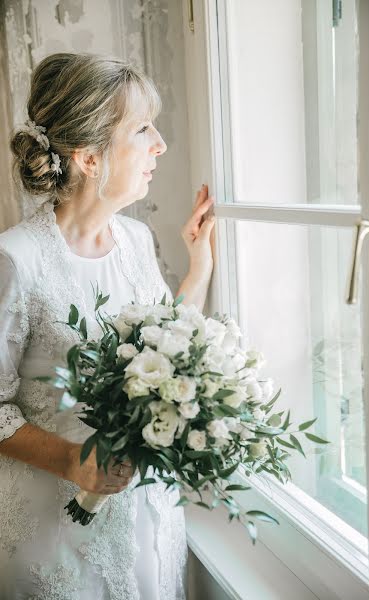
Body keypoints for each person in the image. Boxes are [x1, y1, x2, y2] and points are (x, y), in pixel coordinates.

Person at [0, 52, 215, 599]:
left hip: (148, 521)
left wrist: (199, 268)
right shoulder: (15, 261)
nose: (160, 145)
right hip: (56, 532)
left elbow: (164, 351)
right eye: (143, 129)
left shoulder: (136, 241)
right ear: (89, 159)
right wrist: (73, 460)